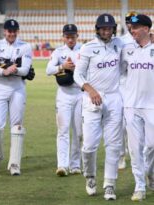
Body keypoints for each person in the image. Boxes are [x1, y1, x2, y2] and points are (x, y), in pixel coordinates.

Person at [74, 14, 123, 200]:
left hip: (114, 99)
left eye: (109, 28)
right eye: (103, 28)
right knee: (89, 145)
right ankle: (90, 176)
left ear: (113, 29)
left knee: (113, 145)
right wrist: (90, 89)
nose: (106, 31)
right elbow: (78, 75)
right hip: (92, 99)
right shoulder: (88, 47)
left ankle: (110, 184)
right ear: (97, 29)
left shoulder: (120, 44)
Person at [0, 19, 32, 176]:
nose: (11, 33)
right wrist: (3, 71)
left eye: (14, 31)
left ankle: (15, 164)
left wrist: (13, 69)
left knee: (17, 126)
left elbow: (25, 70)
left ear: (17, 31)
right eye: (9, 31)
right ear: (4, 31)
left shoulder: (25, 46)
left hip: (17, 88)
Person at [121, 14, 154, 201]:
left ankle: (150, 172)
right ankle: (139, 186)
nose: (132, 31)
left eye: (136, 27)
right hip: (131, 106)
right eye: (131, 28)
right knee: (135, 149)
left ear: (146, 29)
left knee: (151, 146)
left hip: (152, 106)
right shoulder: (126, 49)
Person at [46, 24, 82, 176]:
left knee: (79, 132)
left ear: (77, 36)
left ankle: (75, 165)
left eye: (72, 36)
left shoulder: (84, 50)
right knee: (63, 130)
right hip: (64, 94)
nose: (70, 39)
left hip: (80, 93)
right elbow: (48, 70)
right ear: (63, 37)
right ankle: (62, 165)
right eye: (67, 36)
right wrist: (62, 66)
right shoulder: (58, 52)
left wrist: (75, 68)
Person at [118, 11, 137, 170]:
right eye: (130, 22)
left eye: (135, 22)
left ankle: (137, 154)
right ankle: (121, 154)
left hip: (141, 87)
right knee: (122, 125)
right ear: (126, 24)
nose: (132, 25)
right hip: (124, 86)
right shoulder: (121, 41)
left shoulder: (147, 39)